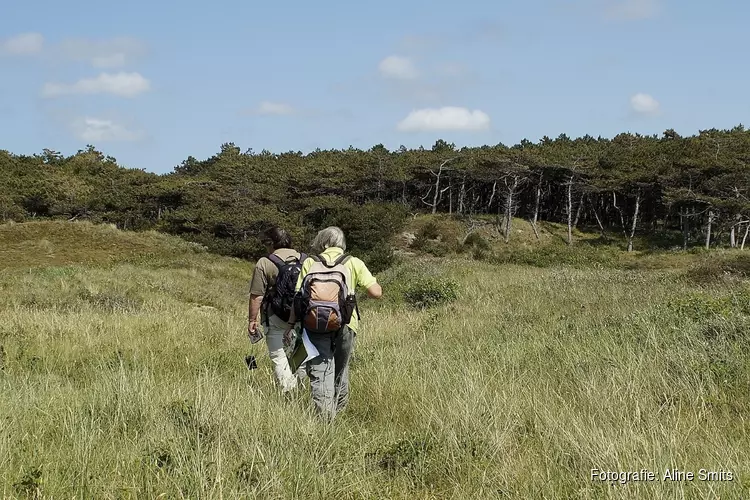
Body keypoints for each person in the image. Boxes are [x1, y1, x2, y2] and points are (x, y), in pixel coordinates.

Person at [284, 226, 382, 421]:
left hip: (314, 323)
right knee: (341, 368)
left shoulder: (311, 262)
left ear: (323, 242)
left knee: (321, 369)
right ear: (341, 243)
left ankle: (324, 419)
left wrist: (290, 325)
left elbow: (298, 296)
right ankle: (339, 413)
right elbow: (376, 293)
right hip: (346, 324)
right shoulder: (353, 262)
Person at [248, 227, 307, 392]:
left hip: (276, 316)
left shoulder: (264, 262)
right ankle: (300, 389)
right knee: (300, 353)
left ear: (271, 243)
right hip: (303, 315)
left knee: (279, 356)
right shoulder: (307, 259)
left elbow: (257, 296)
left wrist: (252, 320)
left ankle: (289, 392)